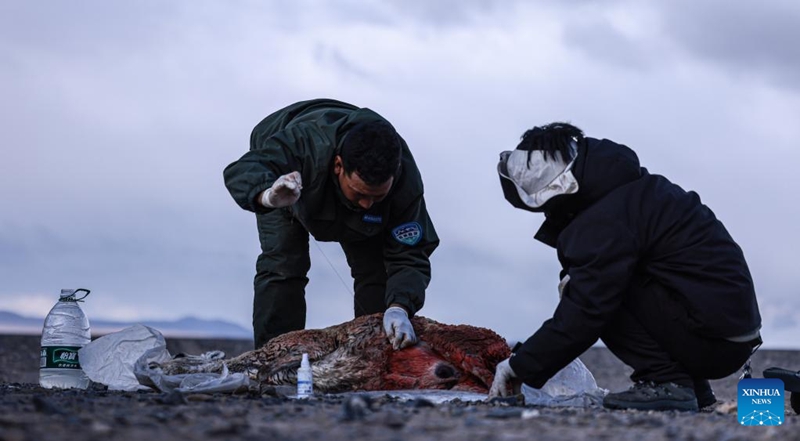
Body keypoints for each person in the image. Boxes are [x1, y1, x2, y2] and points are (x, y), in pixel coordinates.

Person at [488, 122, 762, 411]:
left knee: (594, 292)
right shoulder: (625, 188)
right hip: (727, 332)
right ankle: (690, 387)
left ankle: (666, 380)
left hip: (714, 341)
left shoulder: (605, 219)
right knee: (603, 282)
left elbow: (586, 310)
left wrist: (519, 367)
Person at [223, 98, 439, 350]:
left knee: (376, 270)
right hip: (287, 180)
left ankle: (374, 351)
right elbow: (243, 169)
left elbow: (410, 254)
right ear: (339, 166)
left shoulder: (404, 183)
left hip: (352, 201)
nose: (367, 204)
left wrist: (399, 307)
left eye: (376, 196)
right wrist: (269, 195)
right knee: (284, 263)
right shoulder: (302, 145)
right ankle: (277, 356)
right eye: (360, 193)